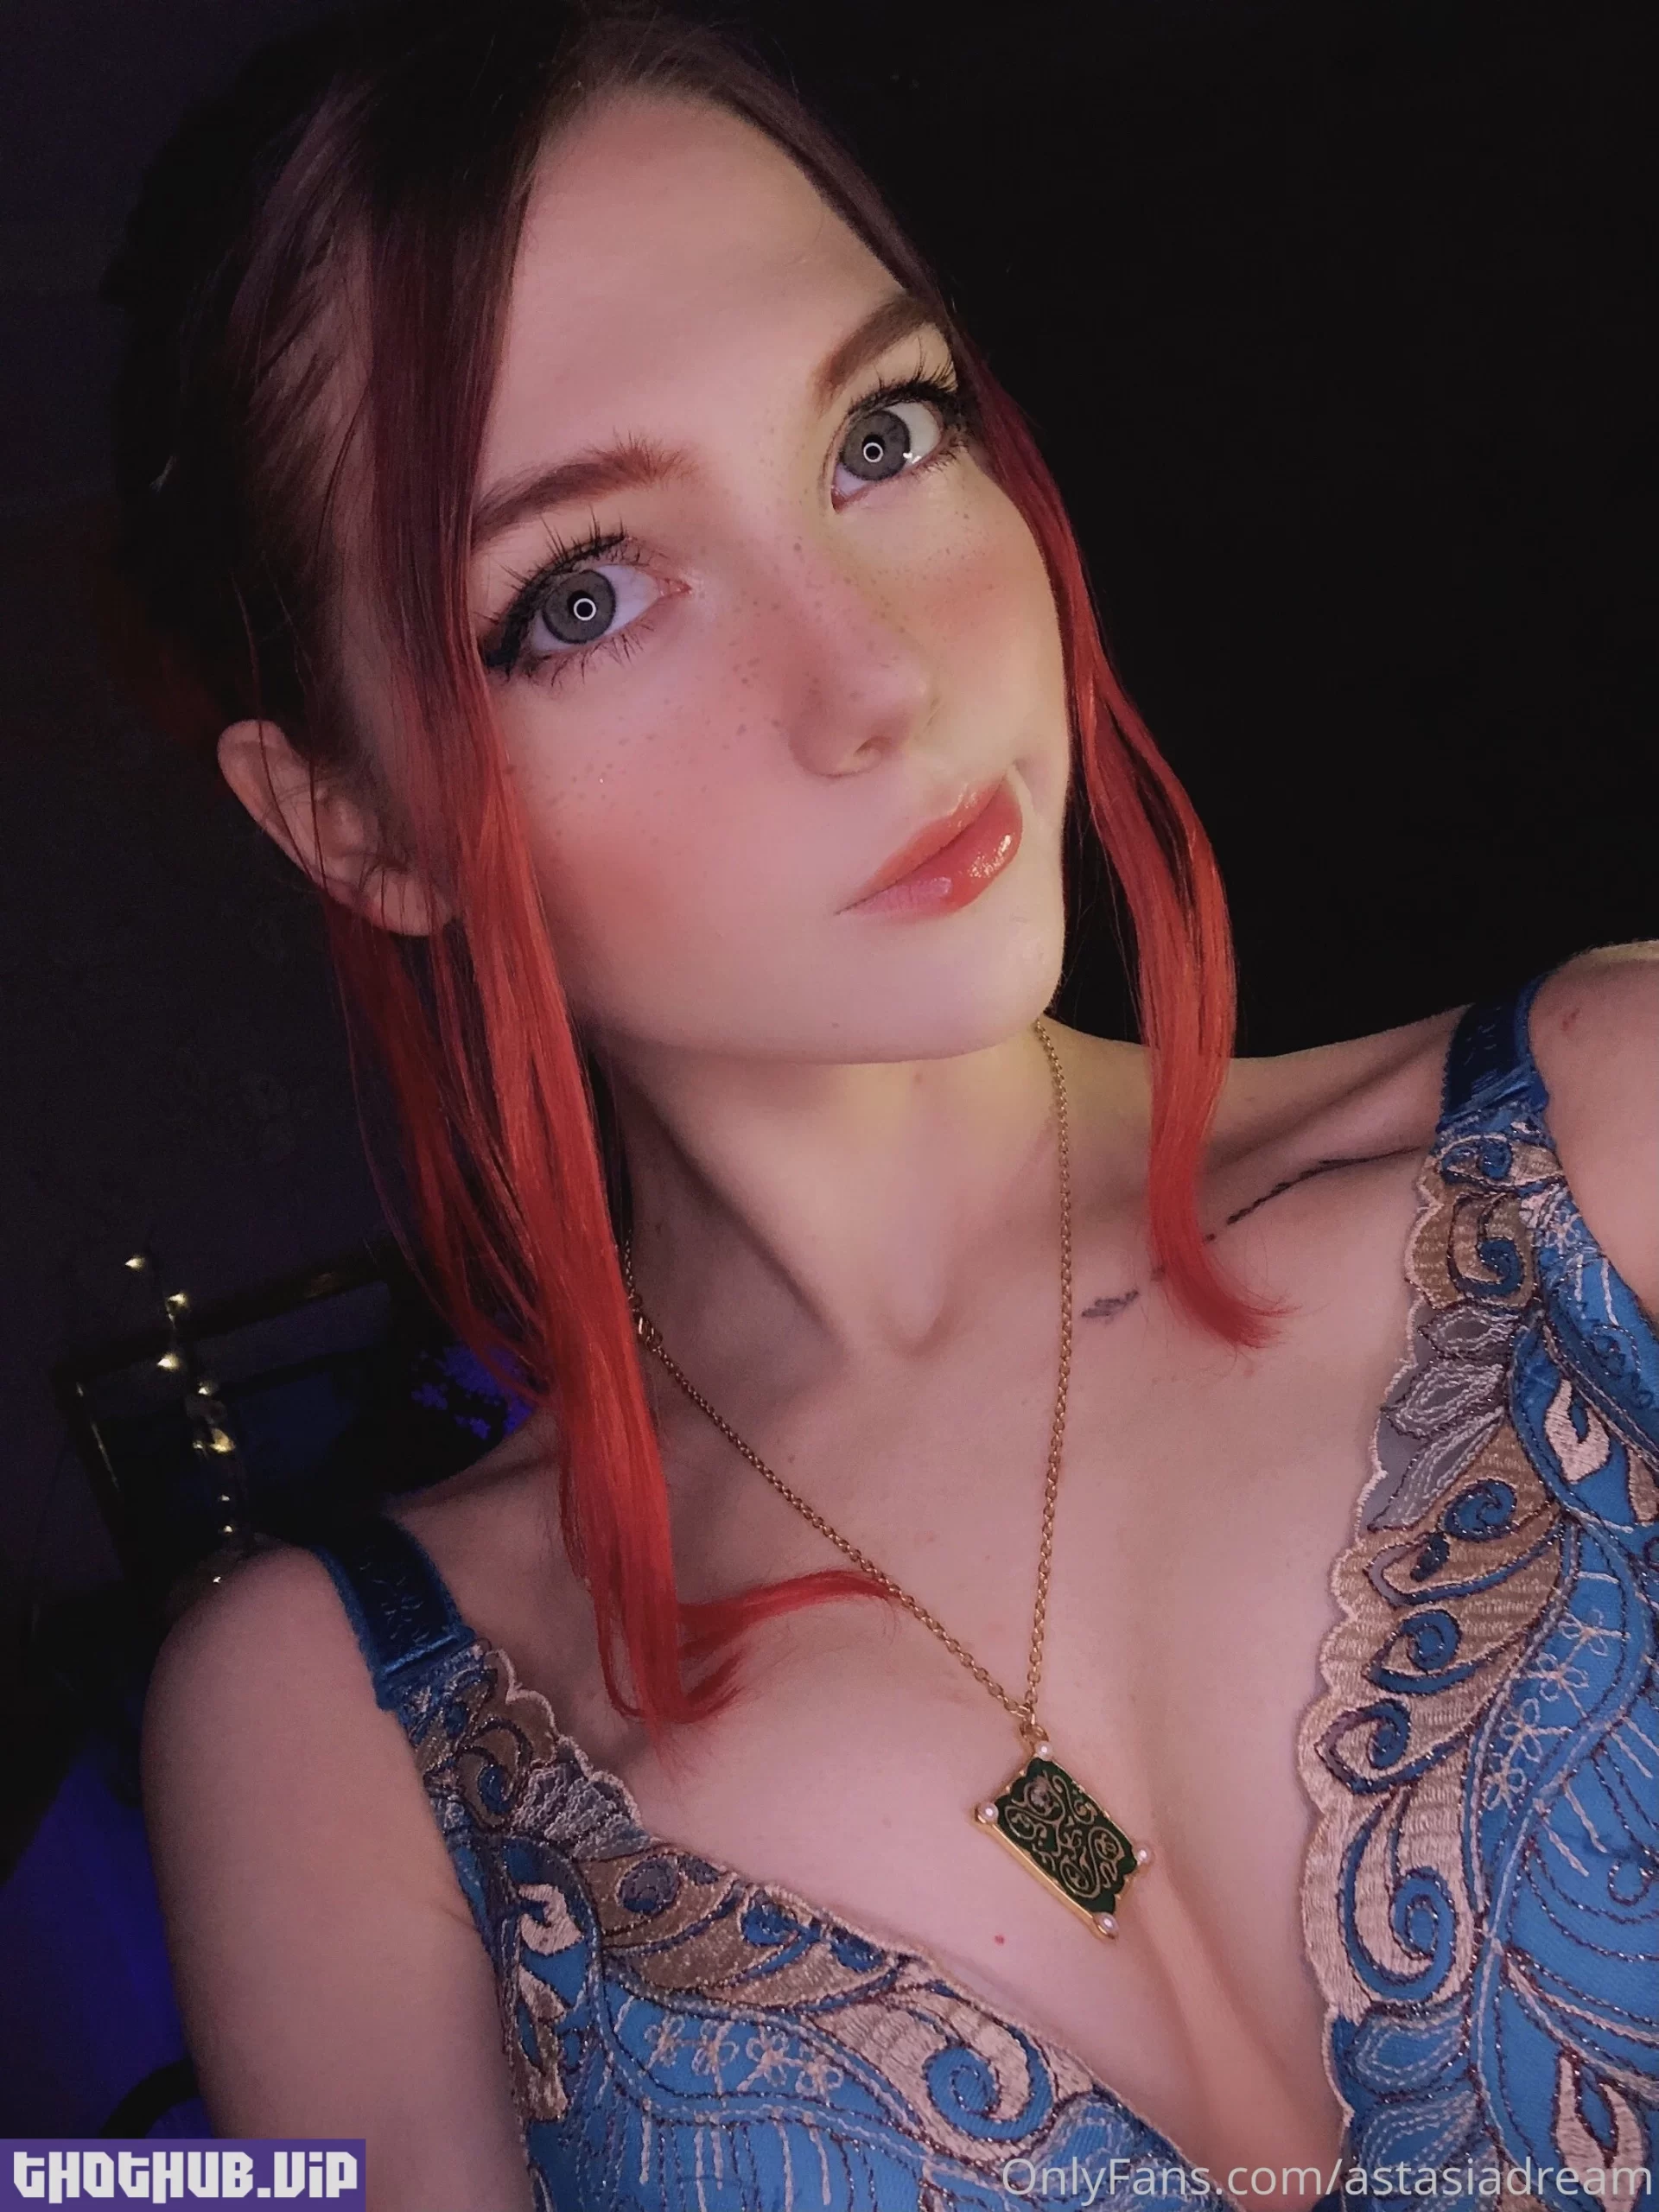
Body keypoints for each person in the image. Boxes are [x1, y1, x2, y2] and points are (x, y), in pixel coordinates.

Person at [105, 1, 1659, 2205]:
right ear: (355, 821)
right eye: (584, 594)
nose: (881, 673)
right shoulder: (338, 1728)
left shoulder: (1611, 1142)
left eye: (881, 434)